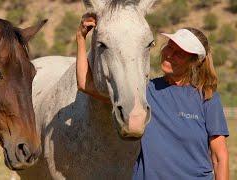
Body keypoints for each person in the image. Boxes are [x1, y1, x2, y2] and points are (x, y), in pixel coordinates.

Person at [75, 14, 229, 180]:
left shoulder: (207, 97)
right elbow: (85, 84)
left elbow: (219, 157)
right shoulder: (146, 91)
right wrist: (81, 38)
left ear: (194, 62)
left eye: (179, 53)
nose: (169, 54)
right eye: (170, 47)